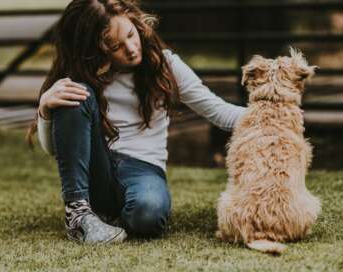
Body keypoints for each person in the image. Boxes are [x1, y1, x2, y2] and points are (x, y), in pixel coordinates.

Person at [27, 0, 246, 244]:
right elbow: (54, 150)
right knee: (75, 93)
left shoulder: (166, 65)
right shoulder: (79, 78)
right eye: (115, 46)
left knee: (148, 216)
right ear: (95, 49)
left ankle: (106, 217)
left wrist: (278, 118)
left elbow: (219, 111)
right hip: (96, 168)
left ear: (135, 22)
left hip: (143, 168)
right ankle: (78, 215)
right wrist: (45, 109)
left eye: (131, 35)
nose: (131, 48)